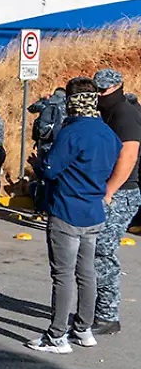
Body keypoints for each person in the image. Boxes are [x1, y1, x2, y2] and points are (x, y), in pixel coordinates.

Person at [23, 78, 122, 353]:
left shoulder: (71, 132)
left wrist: (38, 164)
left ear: (71, 102)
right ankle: (83, 329)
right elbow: (117, 156)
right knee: (86, 273)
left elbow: (51, 169)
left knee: (63, 275)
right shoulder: (106, 132)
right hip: (93, 212)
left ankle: (57, 336)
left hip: (66, 211)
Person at [92, 68, 141, 336]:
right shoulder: (111, 111)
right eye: (97, 90)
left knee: (103, 251)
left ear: (117, 87)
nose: (100, 95)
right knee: (98, 250)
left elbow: (129, 155)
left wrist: (109, 191)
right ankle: (99, 309)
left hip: (122, 192)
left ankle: (108, 315)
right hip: (115, 191)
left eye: (104, 90)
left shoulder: (124, 114)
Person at [29, 87, 67, 214]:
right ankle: (52, 207)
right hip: (60, 146)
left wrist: (43, 99)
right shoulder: (69, 105)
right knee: (56, 177)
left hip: (44, 145)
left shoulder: (48, 103)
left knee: (41, 175)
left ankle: (39, 208)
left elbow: (31, 108)